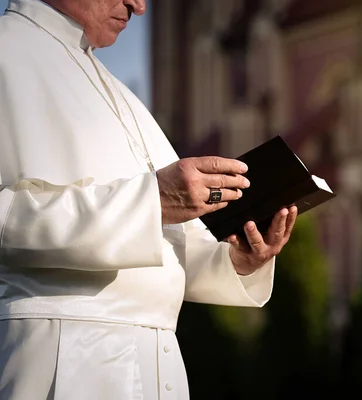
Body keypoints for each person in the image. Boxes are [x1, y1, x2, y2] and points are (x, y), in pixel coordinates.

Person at [0, 0, 298, 398]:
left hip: (161, 362)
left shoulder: (118, 92)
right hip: (63, 357)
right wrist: (151, 200)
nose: (138, 6)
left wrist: (237, 260)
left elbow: (165, 244)